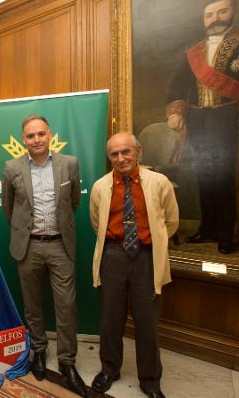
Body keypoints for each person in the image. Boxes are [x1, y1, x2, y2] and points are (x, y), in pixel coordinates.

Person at [166, 0, 239, 253]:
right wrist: (176, 112)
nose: (215, 19)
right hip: (198, 120)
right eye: (209, 15)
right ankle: (208, 228)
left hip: (232, 118)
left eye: (221, 12)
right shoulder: (193, 52)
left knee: (231, 176)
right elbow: (177, 87)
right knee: (205, 176)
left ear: (234, 11)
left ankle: (230, 233)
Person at [1, 114, 88, 397]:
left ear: (49, 134)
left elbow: (73, 201)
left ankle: (67, 361)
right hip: (29, 247)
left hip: (61, 245)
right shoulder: (11, 167)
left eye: (41, 134)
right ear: (23, 139)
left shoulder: (69, 164)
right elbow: (8, 208)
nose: (36, 139)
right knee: (33, 304)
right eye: (30, 136)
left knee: (66, 306)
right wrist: (24, 231)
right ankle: (38, 350)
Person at [89, 132, 179, 398]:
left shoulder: (160, 183)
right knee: (110, 319)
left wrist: (148, 242)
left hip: (147, 258)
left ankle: (150, 379)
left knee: (147, 321)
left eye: (126, 152)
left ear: (138, 152)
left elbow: (171, 222)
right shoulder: (100, 187)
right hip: (113, 256)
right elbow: (97, 222)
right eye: (114, 154)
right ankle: (109, 369)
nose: (120, 158)